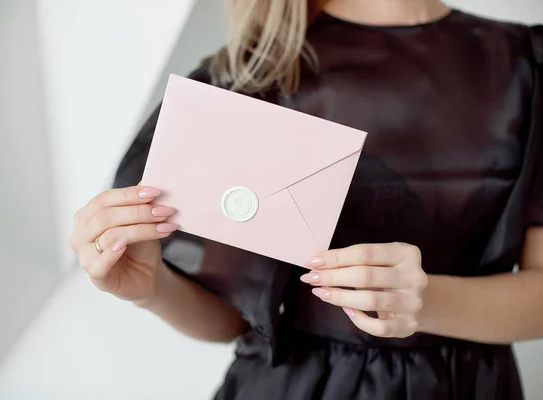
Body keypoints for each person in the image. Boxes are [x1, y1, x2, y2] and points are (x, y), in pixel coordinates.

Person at [69, 0, 543, 398]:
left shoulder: (527, 63)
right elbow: (236, 321)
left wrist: (427, 300)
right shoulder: (253, 73)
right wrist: (153, 289)